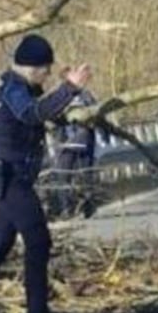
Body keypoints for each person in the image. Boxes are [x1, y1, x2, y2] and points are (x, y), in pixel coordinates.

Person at [0, 34, 90, 313]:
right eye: (46, 69)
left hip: (14, 176)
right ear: (33, 67)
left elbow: (44, 112)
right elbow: (32, 115)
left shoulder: (21, 85)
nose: (47, 75)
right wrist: (69, 88)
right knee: (38, 239)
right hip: (9, 178)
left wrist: (69, 100)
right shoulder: (14, 89)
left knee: (0, 241)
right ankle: (37, 312)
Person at [52, 89, 98, 218]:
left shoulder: (86, 96)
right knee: (63, 176)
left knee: (86, 174)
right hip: (64, 143)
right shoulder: (58, 96)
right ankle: (66, 208)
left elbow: (96, 114)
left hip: (83, 141)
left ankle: (87, 205)